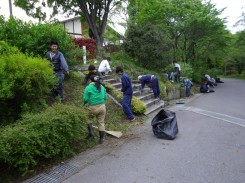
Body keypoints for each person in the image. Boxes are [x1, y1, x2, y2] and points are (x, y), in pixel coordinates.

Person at [83, 74, 107, 144]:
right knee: (101, 122)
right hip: (102, 106)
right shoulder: (102, 87)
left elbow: (85, 99)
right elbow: (105, 97)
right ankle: (101, 139)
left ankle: (91, 133)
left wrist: (84, 103)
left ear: (90, 80)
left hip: (93, 107)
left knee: (88, 119)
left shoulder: (88, 87)